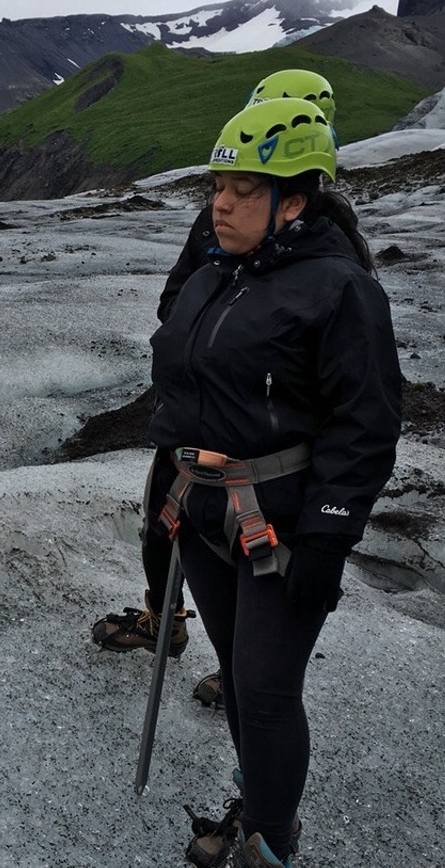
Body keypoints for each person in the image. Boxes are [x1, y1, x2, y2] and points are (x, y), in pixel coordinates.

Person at [149, 97, 401, 868]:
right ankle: (259, 807)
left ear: (295, 200)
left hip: (282, 527)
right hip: (209, 510)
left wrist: (329, 533)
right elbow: (184, 376)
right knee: (239, 671)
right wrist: (173, 471)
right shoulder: (221, 269)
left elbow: (364, 423)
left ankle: (269, 852)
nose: (219, 203)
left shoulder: (338, 290)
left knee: (261, 693)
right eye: (219, 185)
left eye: (244, 189)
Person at [92, 69, 339, 709]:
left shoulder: (327, 244)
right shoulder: (219, 218)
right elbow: (177, 296)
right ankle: (166, 618)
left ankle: (252, 673)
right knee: (161, 524)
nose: (225, 202)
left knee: (260, 579)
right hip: (193, 413)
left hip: (264, 440)